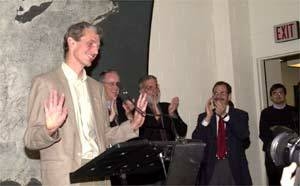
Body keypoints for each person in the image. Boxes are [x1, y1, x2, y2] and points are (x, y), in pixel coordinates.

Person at [23, 21, 148, 186]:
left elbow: (105, 136)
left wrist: (132, 125)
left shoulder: (96, 88)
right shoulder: (46, 83)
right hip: (66, 177)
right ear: (71, 42)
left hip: (99, 173)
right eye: (91, 43)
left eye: (98, 46)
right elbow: (31, 140)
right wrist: (50, 129)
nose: (96, 50)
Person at [192, 81, 252, 185]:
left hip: (234, 166)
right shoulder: (204, 116)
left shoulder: (240, 115)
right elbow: (196, 140)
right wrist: (208, 117)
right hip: (211, 167)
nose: (218, 96)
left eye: (222, 93)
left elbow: (244, 135)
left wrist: (224, 115)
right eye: (215, 93)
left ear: (229, 96)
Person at [259, 83, 299, 186]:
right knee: (274, 181)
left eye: (281, 92)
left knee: (292, 180)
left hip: (292, 153)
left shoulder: (294, 111)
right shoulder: (266, 113)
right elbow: (263, 134)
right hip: (272, 153)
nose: (278, 95)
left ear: (285, 95)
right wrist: (276, 146)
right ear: (271, 97)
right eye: (275, 93)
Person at [138, 75, 187, 141]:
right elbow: (142, 135)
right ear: (142, 91)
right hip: (150, 150)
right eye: (150, 87)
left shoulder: (167, 107)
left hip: (170, 149)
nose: (155, 90)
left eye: (156, 87)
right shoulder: (139, 111)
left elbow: (182, 132)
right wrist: (154, 107)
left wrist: (172, 115)